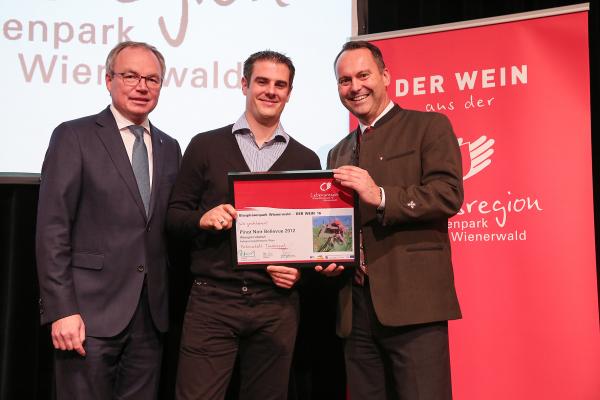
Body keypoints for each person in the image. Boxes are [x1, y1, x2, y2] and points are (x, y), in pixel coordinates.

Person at [167, 50, 321, 400]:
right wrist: (200, 219)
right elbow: (174, 217)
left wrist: (300, 273)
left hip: (276, 306)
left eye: (280, 84)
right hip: (212, 300)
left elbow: (314, 242)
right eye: (262, 82)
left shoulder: (306, 159)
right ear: (244, 85)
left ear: (290, 92)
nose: (271, 91)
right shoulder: (205, 145)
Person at [316, 40, 464, 400]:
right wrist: (327, 256)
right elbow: (336, 224)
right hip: (356, 308)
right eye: (344, 80)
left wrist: (380, 195)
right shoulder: (338, 150)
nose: (355, 87)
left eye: (363, 75)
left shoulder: (429, 125)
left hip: (413, 302)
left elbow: (448, 193)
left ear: (385, 76)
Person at [35, 41, 181, 400]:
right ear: (108, 79)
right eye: (130, 76)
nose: (142, 86)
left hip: (150, 318)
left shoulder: (169, 146)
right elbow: (53, 229)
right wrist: (62, 309)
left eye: (152, 79)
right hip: (87, 315)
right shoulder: (74, 136)